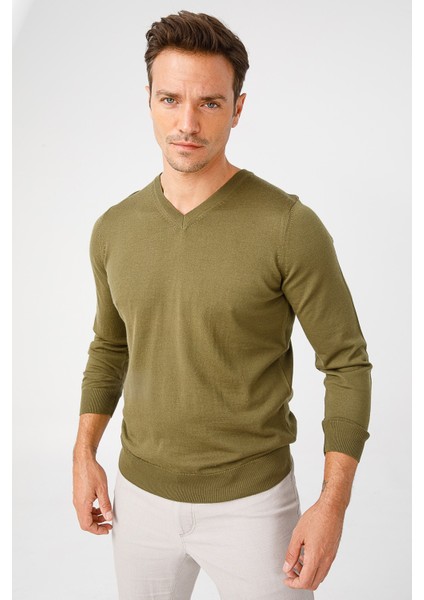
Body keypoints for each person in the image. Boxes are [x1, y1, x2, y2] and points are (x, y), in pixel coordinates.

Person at [72, 10, 372, 600]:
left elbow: (347, 363)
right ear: (149, 100)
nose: (187, 123)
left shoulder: (288, 226)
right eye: (170, 99)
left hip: (255, 509)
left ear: (237, 109)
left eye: (210, 103)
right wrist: (84, 454)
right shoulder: (113, 229)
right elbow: (110, 347)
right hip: (139, 502)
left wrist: (331, 505)